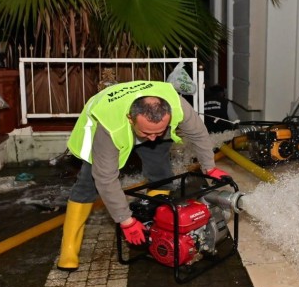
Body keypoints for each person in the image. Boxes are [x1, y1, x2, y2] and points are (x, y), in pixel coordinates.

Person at [59, 80, 231, 271]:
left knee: (161, 175)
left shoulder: (177, 105)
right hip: (104, 129)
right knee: (88, 184)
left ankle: (155, 228)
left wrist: (209, 168)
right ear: (131, 119)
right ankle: (69, 249)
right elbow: (105, 178)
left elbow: (199, 135)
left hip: (145, 123)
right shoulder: (110, 124)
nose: (152, 138)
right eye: (147, 132)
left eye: (159, 131)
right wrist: (125, 221)